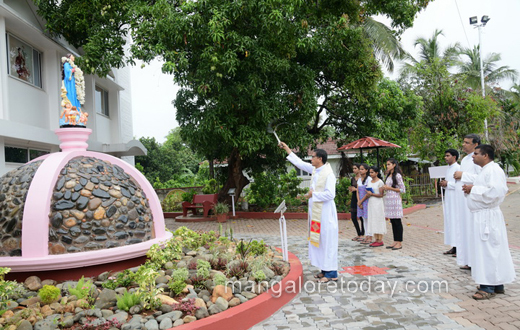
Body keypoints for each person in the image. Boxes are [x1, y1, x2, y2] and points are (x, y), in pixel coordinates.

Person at [279, 142, 338, 282]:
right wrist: (287, 148)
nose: (311, 159)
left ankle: (332, 274)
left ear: (320, 159)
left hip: (326, 215)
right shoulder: (315, 170)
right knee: (320, 241)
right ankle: (324, 270)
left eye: (313, 157)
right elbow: (299, 163)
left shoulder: (328, 174)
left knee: (327, 242)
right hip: (317, 215)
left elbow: (331, 195)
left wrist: (313, 194)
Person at [461, 144, 515, 300]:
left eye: (476, 153)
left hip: (487, 217)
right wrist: (471, 189)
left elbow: (497, 192)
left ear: (485, 156)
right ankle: (496, 284)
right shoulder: (485, 170)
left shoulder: (493, 170)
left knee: (488, 250)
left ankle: (487, 286)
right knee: (489, 249)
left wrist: (473, 189)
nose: (473, 156)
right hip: (482, 216)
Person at [453, 134, 481, 269]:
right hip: (462, 200)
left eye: (467, 142)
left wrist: (463, 175)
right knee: (464, 230)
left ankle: (474, 262)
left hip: (472, 200)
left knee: (471, 230)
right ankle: (468, 260)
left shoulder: (479, 159)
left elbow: (481, 178)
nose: (463, 144)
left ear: (475, 144)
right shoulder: (465, 159)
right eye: (463, 142)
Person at [439, 149, 463, 256]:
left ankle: (459, 247)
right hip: (449, 197)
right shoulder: (448, 169)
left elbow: (460, 184)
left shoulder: (458, 168)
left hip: (455, 198)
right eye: (445, 155)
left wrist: (448, 183)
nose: (445, 157)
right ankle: (453, 246)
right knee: (450, 222)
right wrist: (444, 184)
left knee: (456, 221)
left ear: (454, 157)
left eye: (448, 156)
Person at [383, 158, 406, 250]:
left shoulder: (397, 176)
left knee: (397, 222)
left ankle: (399, 242)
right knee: (392, 221)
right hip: (389, 201)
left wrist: (389, 188)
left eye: (389, 164)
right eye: (387, 164)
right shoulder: (389, 175)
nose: (387, 166)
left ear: (394, 165)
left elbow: (402, 189)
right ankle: (395, 241)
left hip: (395, 200)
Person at [360, 166, 385, 247]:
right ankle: (376, 239)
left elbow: (381, 195)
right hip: (371, 203)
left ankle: (380, 239)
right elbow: (367, 191)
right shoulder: (370, 182)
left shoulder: (380, 182)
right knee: (373, 220)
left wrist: (372, 194)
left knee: (378, 219)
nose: (370, 174)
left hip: (378, 203)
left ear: (377, 173)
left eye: (372, 172)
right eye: (370, 172)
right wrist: (368, 193)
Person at [348, 163, 365, 241]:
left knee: (361, 217)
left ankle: (363, 234)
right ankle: (358, 233)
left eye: (355, 168)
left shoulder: (363, 178)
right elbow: (352, 187)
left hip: (361, 198)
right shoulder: (353, 179)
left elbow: (365, 189)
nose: (354, 170)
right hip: (354, 197)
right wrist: (351, 189)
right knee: (353, 217)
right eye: (353, 168)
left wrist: (356, 189)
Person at [357, 164, 371, 244]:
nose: (360, 170)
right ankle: (366, 235)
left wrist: (361, 201)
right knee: (363, 219)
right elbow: (357, 192)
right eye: (360, 169)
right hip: (360, 202)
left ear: (366, 170)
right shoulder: (359, 180)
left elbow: (368, 193)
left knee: (368, 218)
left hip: (366, 201)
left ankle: (369, 235)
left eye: (362, 169)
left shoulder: (369, 179)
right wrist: (358, 201)